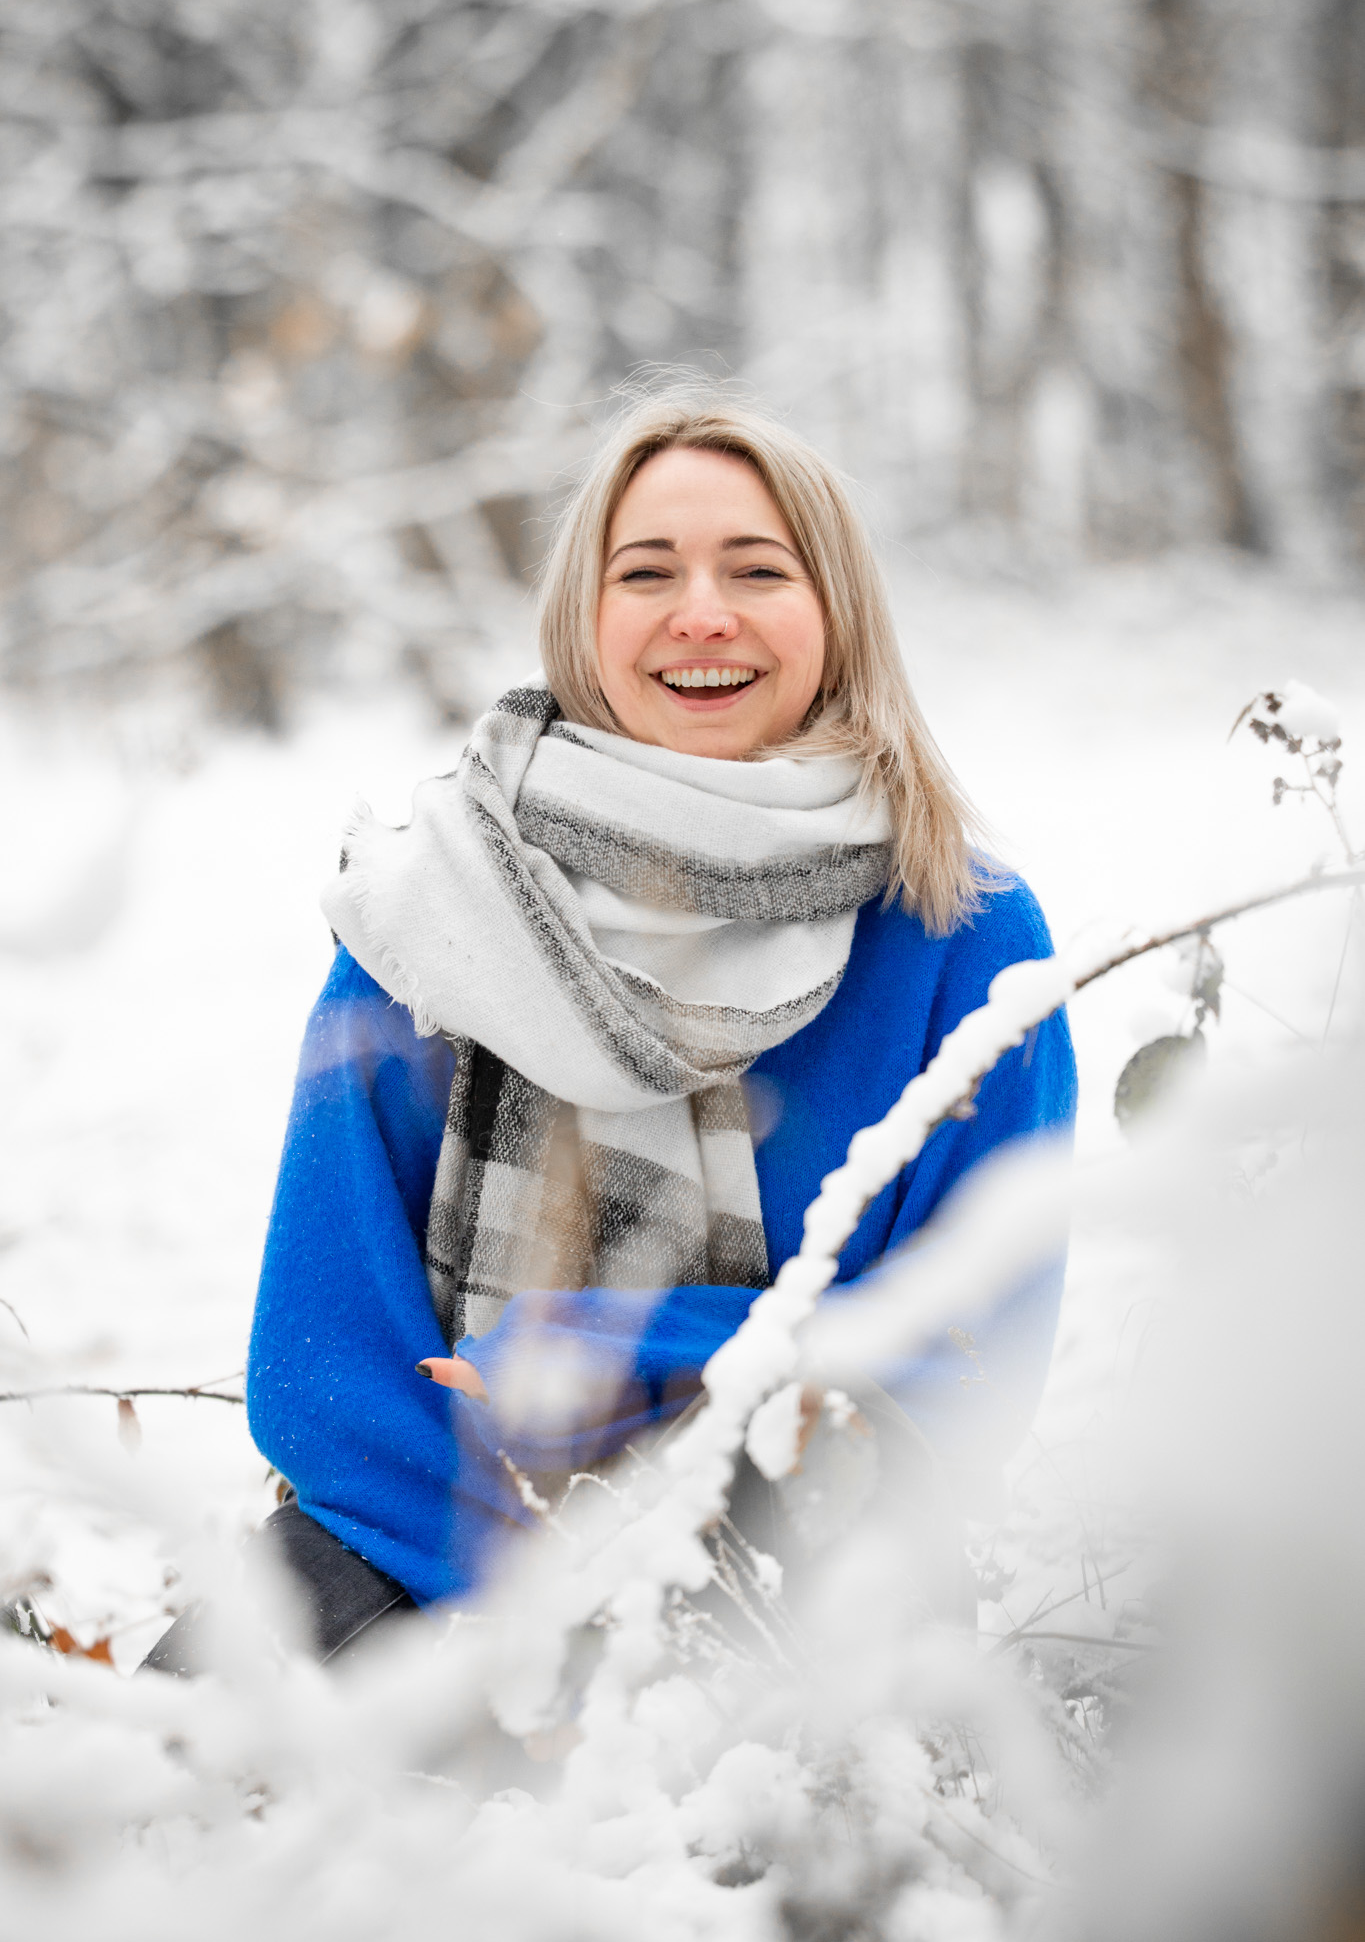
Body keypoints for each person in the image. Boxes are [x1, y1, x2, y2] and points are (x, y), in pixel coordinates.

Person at [147, 388, 1075, 1673]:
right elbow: (325, 1372)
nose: (703, 610)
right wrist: (548, 1578)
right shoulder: (429, 919)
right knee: (150, 1802)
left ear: (838, 614)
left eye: (757, 568)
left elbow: (970, 1354)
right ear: (586, 622)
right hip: (430, 1543)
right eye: (648, 572)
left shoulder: (962, 931)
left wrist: (608, 1353)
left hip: (808, 1565)